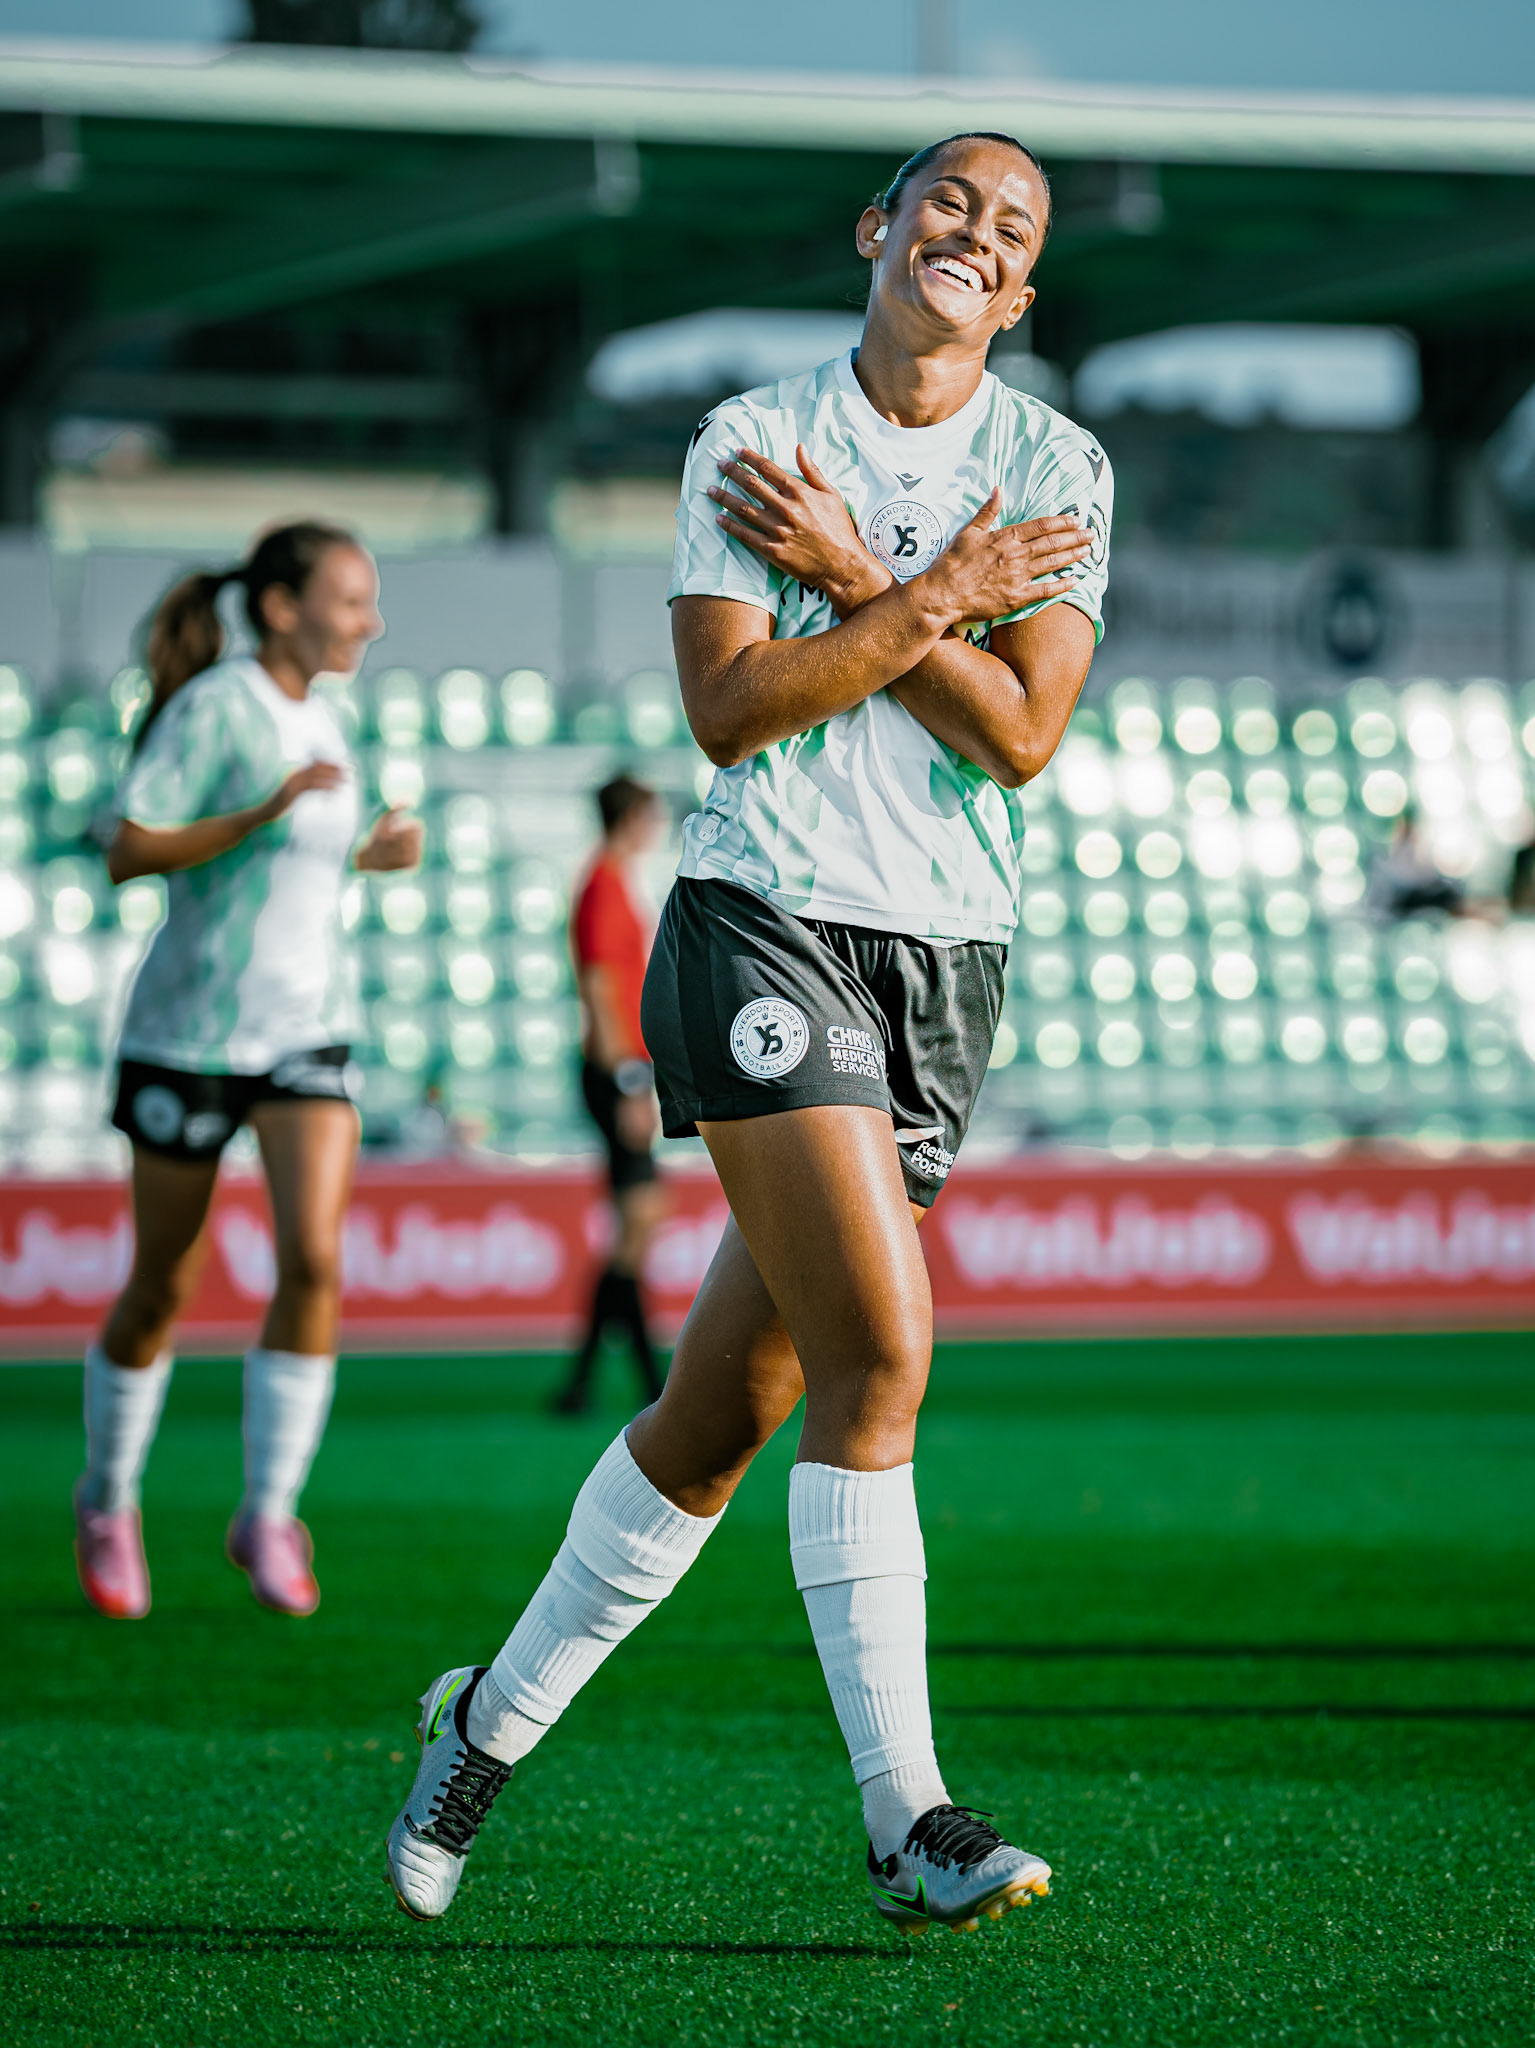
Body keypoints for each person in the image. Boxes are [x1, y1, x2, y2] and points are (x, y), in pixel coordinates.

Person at [387, 131, 1110, 1936]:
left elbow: (1020, 738)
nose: (977, 231)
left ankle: (483, 1721)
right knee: (884, 1348)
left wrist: (877, 578)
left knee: (719, 1416)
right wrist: (941, 594)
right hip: (761, 914)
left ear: (1020, 296)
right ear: (880, 227)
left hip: (947, 957)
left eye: (1012, 229)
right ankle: (910, 1817)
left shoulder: (1060, 464)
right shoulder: (749, 440)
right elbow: (731, 712)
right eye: (950, 200)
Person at [73, 522, 423, 1623]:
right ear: (280, 607)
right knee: (164, 1282)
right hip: (187, 1037)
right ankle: (107, 1495)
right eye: (349, 599)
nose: (368, 621)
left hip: (305, 1033)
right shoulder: (216, 706)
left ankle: (268, 1511)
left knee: (314, 1259)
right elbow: (126, 846)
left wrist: (372, 851)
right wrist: (261, 811)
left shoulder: (331, 714)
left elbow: (308, 862)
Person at [553, 774, 668, 1415]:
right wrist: (628, 1077)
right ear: (631, 818)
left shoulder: (613, 882)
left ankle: (595, 1381)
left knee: (637, 1221)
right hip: (613, 1068)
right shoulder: (601, 885)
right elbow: (599, 987)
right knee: (639, 1217)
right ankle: (635, 1377)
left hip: (624, 1066)